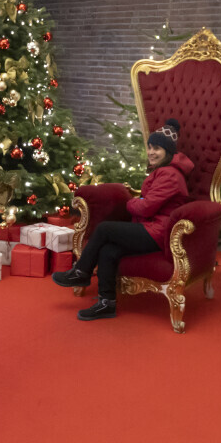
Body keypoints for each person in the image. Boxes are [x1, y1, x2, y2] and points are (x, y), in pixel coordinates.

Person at [53, 118, 192, 321]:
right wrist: (140, 202)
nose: (151, 152)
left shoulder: (170, 175)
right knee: (108, 251)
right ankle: (106, 303)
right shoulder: (164, 172)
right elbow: (147, 203)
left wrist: (131, 203)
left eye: (157, 148)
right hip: (149, 228)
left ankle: (81, 272)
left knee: (104, 229)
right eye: (150, 147)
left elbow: (145, 207)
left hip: (157, 233)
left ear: (168, 152)